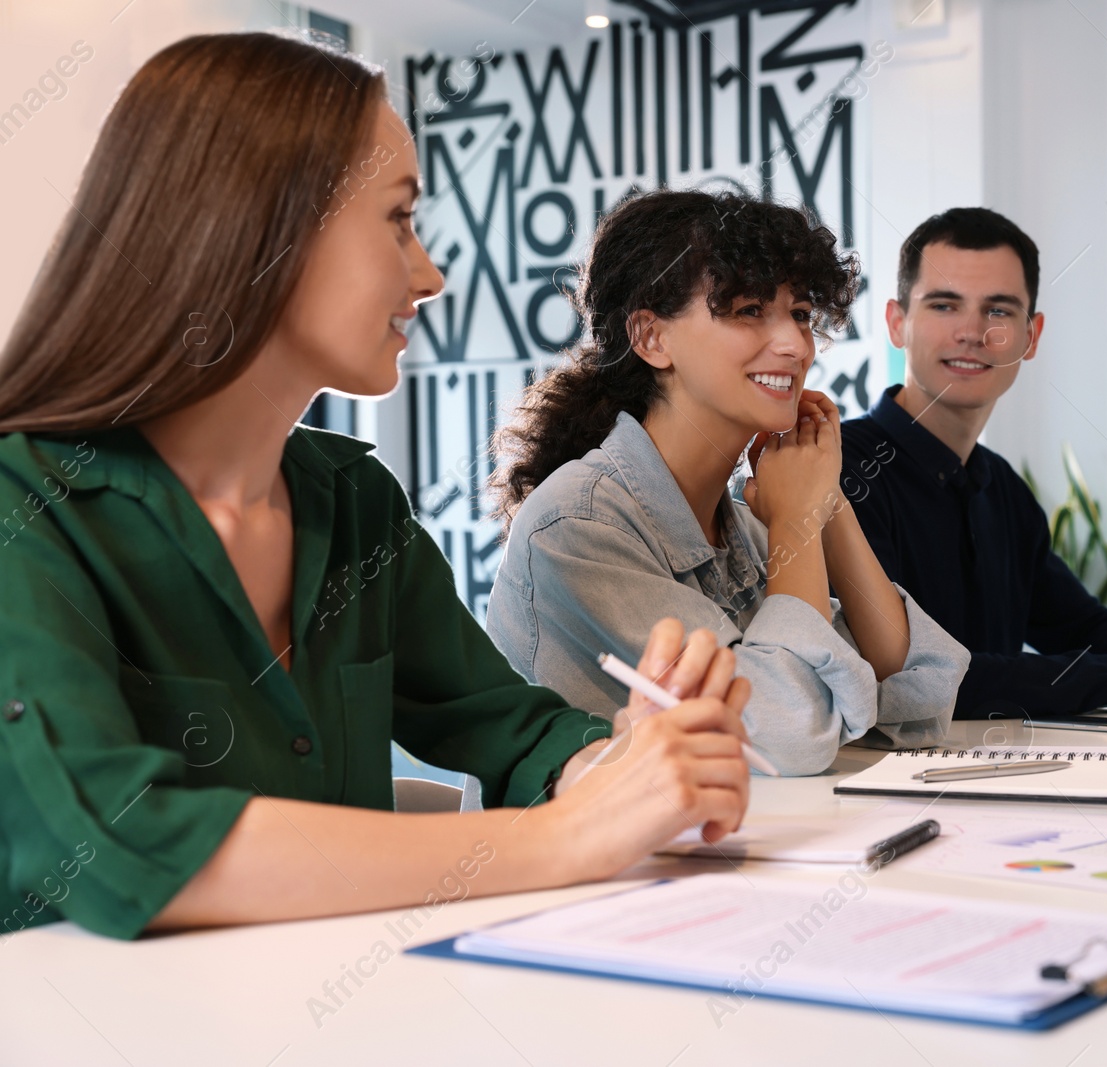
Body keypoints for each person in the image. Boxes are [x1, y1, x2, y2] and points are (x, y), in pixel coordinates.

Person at [0, 32, 751, 942]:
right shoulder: (25, 507)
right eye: (399, 219)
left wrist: (630, 761)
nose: (429, 274)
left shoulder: (352, 499)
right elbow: (119, 837)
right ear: (258, 226)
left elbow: (506, 727)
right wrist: (566, 837)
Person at [486, 189, 968, 776]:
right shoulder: (577, 526)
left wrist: (825, 503)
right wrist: (796, 521)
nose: (795, 345)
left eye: (799, 313)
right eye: (747, 310)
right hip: (599, 868)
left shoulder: (736, 524)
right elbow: (793, 733)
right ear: (651, 338)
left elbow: (917, 696)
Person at [839, 207, 1107, 720]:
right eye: (944, 305)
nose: (972, 332)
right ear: (897, 323)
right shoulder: (843, 472)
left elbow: (1085, 629)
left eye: (999, 311)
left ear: (1031, 336)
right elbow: (905, 679)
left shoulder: (1002, 490)